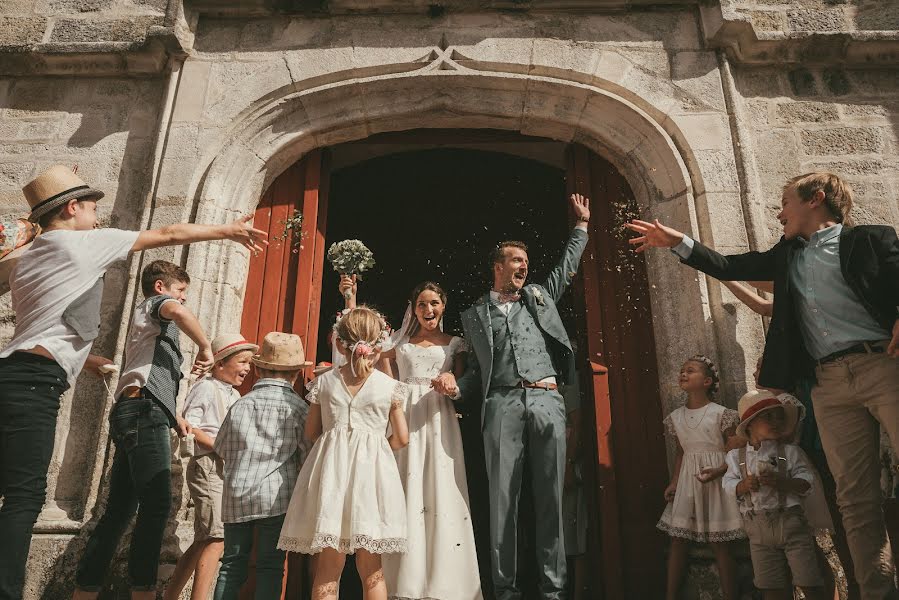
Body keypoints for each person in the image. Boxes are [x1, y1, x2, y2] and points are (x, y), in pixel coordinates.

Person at [626, 172, 899, 599]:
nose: (779, 210)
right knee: (854, 500)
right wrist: (678, 241)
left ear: (817, 200)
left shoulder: (870, 239)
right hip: (828, 384)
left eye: (785, 201)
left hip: (882, 365)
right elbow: (732, 265)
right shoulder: (787, 255)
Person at [0, 165, 266, 600]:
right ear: (71, 208)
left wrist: (91, 362)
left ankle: (86, 589)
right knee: (25, 498)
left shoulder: (27, 257)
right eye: (91, 209)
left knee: (106, 505)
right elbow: (168, 233)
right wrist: (228, 230)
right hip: (37, 384)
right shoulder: (83, 243)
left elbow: (46, 327)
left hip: (12, 371)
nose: (97, 218)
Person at [433, 192, 591, 600]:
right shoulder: (472, 315)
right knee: (502, 500)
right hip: (500, 403)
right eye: (516, 261)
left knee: (551, 499)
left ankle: (553, 591)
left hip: (545, 400)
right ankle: (505, 591)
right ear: (498, 266)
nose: (523, 267)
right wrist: (454, 386)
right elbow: (475, 377)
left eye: (526, 262)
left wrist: (581, 227)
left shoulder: (539, 296)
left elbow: (567, 267)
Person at [72, 261, 213, 598]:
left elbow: (151, 374)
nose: (183, 301)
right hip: (142, 413)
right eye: (181, 292)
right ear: (161, 287)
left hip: (139, 411)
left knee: (119, 511)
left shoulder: (148, 323)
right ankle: (143, 592)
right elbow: (177, 314)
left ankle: (85, 591)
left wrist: (173, 414)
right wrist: (206, 347)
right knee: (157, 505)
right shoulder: (156, 305)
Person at [339, 276, 483, 600]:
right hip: (406, 419)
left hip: (440, 420)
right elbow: (381, 372)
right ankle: (403, 581)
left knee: (441, 489)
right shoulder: (398, 346)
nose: (428, 309)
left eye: (434, 303)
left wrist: (450, 378)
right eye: (422, 304)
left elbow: (462, 383)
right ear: (413, 310)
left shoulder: (455, 343)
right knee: (403, 490)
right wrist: (351, 298)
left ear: (443, 306)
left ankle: (446, 582)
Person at [277, 307, 409, 600]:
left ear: (339, 343)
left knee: (327, 568)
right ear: (377, 344)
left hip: (331, 477)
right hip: (372, 478)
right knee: (372, 571)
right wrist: (376, 446)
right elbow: (401, 437)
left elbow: (311, 432)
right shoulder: (390, 387)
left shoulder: (324, 382)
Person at [212, 332, 311, 599]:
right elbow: (307, 455)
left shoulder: (240, 405)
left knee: (231, 565)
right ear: (296, 374)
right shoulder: (299, 409)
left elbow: (221, 447)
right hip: (276, 497)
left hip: (237, 494)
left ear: (257, 369)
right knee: (270, 566)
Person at [164, 334, 258, 600]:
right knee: (217, 536)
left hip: (224, 468)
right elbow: (189, 427)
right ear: (219, 364)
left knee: (205, 538)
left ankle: (170, 595)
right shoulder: (206, 388)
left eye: (249, 363)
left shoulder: (236, 394)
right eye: (241, 362)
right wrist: (220, 445)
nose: (247, 369)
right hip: (207, 464)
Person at [723, 390, 826, 600]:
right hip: (758, 530)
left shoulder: (789, 452)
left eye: (780, 416)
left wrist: (784, 483)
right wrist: (743, 485)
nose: (776, 421)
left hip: (791, 524)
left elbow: (807, 481)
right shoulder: (737, 457)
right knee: (770, 586)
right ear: (750, 424)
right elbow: (728, 484)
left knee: (808, 580)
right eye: (768, 416)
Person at [657, 355, 743, 600]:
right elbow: (681, 453)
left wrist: (721, 471)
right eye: (682, 370)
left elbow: (734, 449)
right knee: (678, 539)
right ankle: (670, 596)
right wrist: (674, 481)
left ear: (706, 381)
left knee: (720, 544)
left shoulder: (721, 414)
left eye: (691, 370)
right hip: (688, 481)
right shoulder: (676, 417)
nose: (683, 373)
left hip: (716, 479)